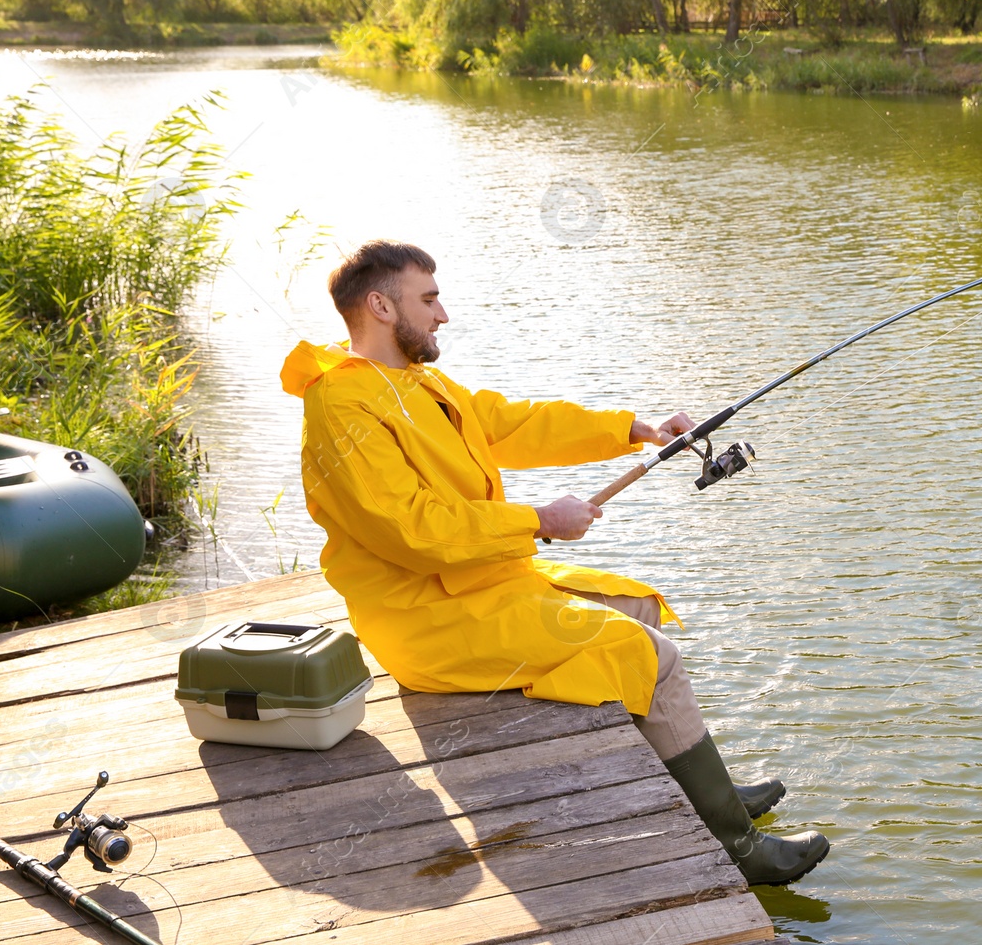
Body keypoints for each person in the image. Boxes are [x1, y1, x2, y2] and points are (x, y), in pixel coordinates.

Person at [279, 240, 828, 885]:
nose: (443, 314)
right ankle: (740, 849)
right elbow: (409, 531)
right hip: (425, 618)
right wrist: (537, 520)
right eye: (428, 299)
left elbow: (514, 425)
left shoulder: (414, 380)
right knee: (651, 657)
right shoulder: (342, 405)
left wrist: (638, 430)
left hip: (481, 584)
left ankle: (712, 792)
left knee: (638, 605)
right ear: (379, 305)